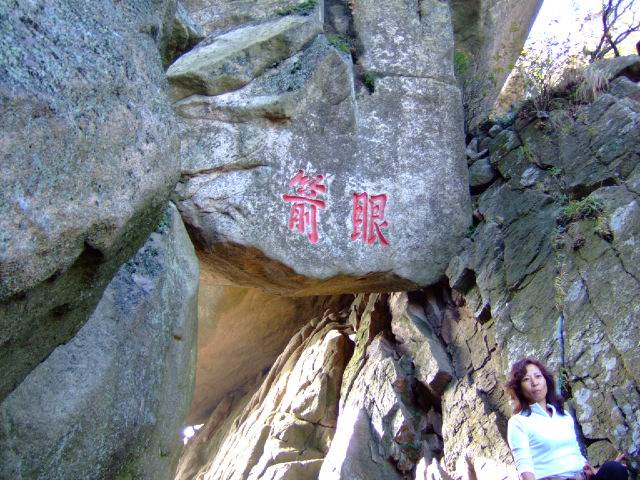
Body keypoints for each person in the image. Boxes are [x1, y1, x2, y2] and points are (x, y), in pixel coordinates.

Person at [506, 358, 628, 480]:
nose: (534, 382)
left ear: (546, 380)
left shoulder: (563, 415)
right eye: (526, 379)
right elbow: (524, 467)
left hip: (581, 477)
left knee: (615, 469)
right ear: (519, 388)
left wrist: (599, 472)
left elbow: (576, 454)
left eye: (538, 376)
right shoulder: (518, 422)